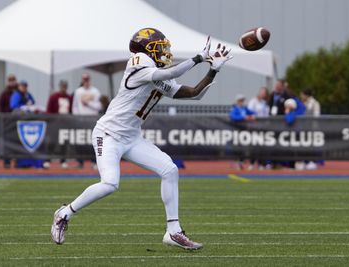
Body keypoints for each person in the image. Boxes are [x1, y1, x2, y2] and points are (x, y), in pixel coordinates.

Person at [51, 28, 232, 250]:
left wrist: (213, 69)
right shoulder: (139, 63)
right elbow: (168, 75)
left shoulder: (156, 72)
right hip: (108, 135)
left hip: (132, 137)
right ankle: (64, 213)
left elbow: (194, 93)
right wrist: (198, 58)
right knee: (109, 184)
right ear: (146, 50)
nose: (164, 52)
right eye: (159, 48)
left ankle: (173, 232)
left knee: (169, 170)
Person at [72, 73, 102, 169]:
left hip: (92, 119)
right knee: (80, 142)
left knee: (93, 142)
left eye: (87, 79)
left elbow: (99, 106)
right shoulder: (78, 91)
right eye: (84, 79)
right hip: (81, 120)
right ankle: (80, 162)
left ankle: (94, 162)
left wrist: (88, 103)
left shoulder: (95, 91)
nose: (86, 81)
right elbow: (75, 106)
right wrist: (77, 117)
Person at [45, 80, 72, 169]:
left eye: (65, 86)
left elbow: (71, 110)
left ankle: (63, 161)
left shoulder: (69, 97)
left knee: (64, 143)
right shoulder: (53, 97)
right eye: (62, 86)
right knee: (52, 142)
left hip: (65, 124)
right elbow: (49, 110)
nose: (64, 88)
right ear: (60, 87)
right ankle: (48, 160)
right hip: (55, 123)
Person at [229, 94, 255, 169]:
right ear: (237, 101)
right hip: (237, 130)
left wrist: (252, 116)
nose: (241, 102)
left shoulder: (244, 108)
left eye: (242, 100)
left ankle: (243, 161)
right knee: (237, 147)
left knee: (246, 146)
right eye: (240, 101)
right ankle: (238, 161)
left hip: (245, 130)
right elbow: (233, 116)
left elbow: (252, 113)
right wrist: (243, 117)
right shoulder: (235, 109)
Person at [0, 74, 18, 168]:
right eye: (10, 80)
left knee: (17, 141)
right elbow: (1, 107)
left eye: (13, 80)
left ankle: (18, 162)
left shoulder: (18, 92)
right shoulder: (4, 93)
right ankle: (6, 162)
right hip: (7, 120)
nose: (12, 82)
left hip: (17, 120)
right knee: (7, 142)